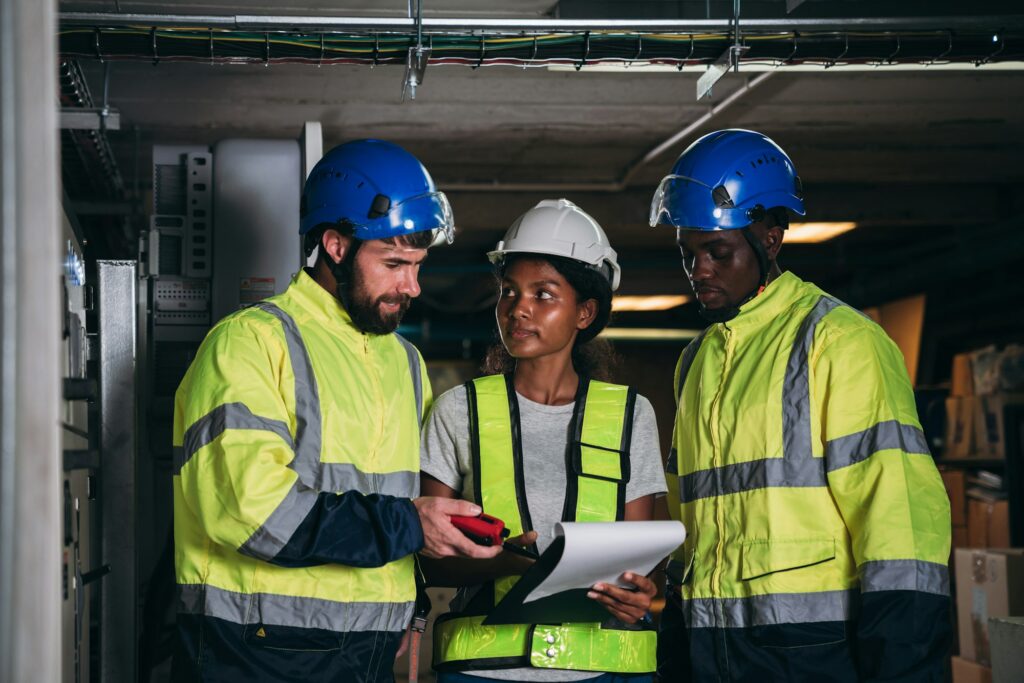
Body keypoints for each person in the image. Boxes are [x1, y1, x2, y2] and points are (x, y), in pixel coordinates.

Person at [171, 139, 501, 682]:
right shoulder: (250, 343)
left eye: (418, 266)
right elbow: (248, 510)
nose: (411, 287)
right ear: (335, 246)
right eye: (394, 264)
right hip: (256, 652)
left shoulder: (406, 362)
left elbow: (405, 505)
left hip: (369, 651)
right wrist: (408, 525)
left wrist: (413, 595)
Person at [649, 129, 952, 681]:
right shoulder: (696, 360)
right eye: (688, 253)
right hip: (709, 651)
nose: (700, 271)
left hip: (815, 654)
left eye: (718, 251)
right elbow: (690, 520)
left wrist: (904, 666)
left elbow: (898, 518)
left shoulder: (840, 342)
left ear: (769, 238)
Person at [419, 199, 668, 683]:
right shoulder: (457, 411)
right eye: (509, 292)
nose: (518, 309)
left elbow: (644, 562)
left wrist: (641, 591)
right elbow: (431, 560)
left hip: (606, 672)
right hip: (483, 672)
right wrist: (510, 562)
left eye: (544, 294)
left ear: (585, 312)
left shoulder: (630, 415)